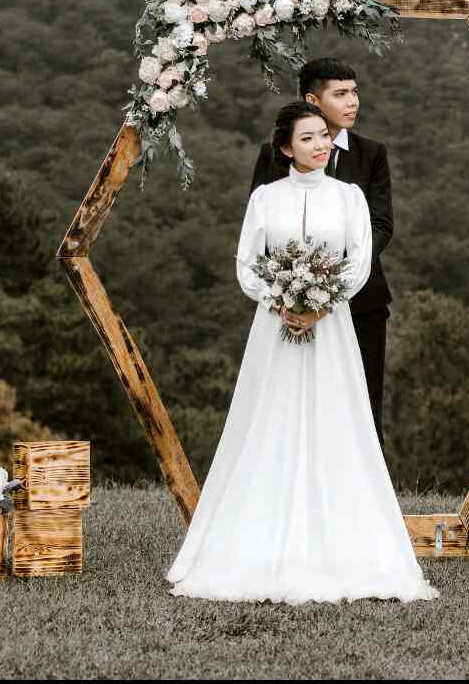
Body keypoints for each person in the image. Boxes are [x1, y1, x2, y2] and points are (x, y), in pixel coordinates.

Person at [166, 101, 438, 605]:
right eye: (308, 137)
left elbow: (358, 262)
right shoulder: (266, 198)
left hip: (332, 329)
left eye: (324, 136)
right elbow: (248, 262)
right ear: (286, 148)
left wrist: (322, 303)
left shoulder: (351, 197)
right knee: (269, 416)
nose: (320, 144)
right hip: (274, 329)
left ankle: (346, 542)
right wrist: (282, 300)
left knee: (339, 419)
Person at [250, 57, 394, 449]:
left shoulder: (371, 153)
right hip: (287, 304)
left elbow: (382, 225)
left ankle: (367, 498)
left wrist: (336, 276)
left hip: (362, 301)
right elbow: (260, 227)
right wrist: (291, 288)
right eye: (341, 94)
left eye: (355, 92)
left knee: (362, 404)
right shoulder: (273, 156)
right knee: (284, 404)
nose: (353, 102)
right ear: (313, 99)